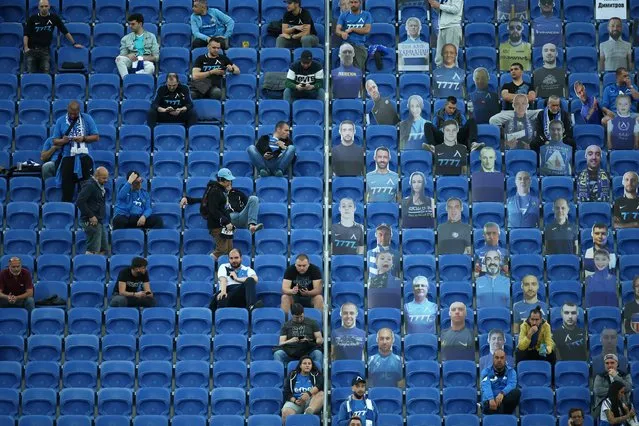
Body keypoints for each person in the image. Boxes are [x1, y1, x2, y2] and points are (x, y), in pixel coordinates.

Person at [180, 168, 263, 260]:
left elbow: (206, 201)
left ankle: (225, 272)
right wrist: (226, 222)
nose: (230, 182)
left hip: (226, 224)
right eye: (228, 180)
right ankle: (205, 262)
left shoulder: (219, 190)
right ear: (221, 180)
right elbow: (213, 209)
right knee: (222, 250)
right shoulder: (216, 191)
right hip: (219, 225)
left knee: (229, 251)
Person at [51, 100, 99, 202]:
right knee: (67, 192)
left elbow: (96, 137)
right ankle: (66, 213)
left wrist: (84, 138)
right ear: (67, 110)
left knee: (86, 192)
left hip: (84, 157)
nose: (73, 116)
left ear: (79, 111)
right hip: (68, 158)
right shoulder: (61, 121)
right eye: (71, 113)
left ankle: (85, 216)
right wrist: (63, 141)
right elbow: (55, 141)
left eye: (75, 114)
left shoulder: (87, 119)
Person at [25, 0, 83, 73]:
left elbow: (64, 31)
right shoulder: (32, 18)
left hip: (45, 50)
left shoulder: (54, 18)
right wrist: (26, 48)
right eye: (42, 6)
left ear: (49, 7)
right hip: (32, 50)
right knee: (31, 74)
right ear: (38, 7)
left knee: (46, 74)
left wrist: (74, 43)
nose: (44, 8)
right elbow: (26, 34)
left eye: (46, 6)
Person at [210, 248, 262, 313]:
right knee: (221, 297)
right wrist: (223, 291)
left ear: (241, 258)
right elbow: (223, 280)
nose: (233, 260)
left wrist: (237, 279)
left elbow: (255, 279)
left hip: (242, 295)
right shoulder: (224, 266)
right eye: (231, 258)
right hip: (228, 293)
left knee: (250, 280)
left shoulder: (247, 269)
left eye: (236, 258)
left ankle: (251, 307)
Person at [274, 303, 323, 367]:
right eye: (297, 318)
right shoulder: (286, 325)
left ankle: (317, 373)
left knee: (318, 353)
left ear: (303, 313)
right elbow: (281, 343)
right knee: (278, 354)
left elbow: (320, 340)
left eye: (301, 317)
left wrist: (308, 340)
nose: (299, 319)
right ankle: (282, 374)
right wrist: (291, 340)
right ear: (292, 315)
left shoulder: (312, 323)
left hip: (308, 351)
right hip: (291, 352)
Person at [76, 167, 109, 255]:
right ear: (96, 176)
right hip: (91, 221)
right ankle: (88, 265)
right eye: (104, 178)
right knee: (93, 249)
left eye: (107, 178)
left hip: (99, 221)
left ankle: (98, 266)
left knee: (103, 248)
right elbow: (80, 201)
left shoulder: (99, 186)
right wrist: (91, 215)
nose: (106, 180)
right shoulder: (90, 185)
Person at [281, 355, 324, 422]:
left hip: (311, 402)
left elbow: (320, 385)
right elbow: (286, 392)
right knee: (286, 412)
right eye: (304, 363)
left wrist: (308, 394)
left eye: (309, 364)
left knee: (321, 394)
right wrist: (294, 401)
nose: (307, 365)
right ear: (300, 366)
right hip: (296, 401)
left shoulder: (316, 374)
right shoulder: (292, 375)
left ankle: (308, 413)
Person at [115, 13, 159, 78]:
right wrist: (128, 55)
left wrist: (144, 58)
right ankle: (126, 80)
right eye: (129, 24)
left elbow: (156, 57)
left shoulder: (151, 37)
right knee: (119, 59)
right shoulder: (126, 38)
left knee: (151, 67)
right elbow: (122, 54)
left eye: (133, 24)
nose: (130, 26)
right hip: (131, 61)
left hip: (145, 61)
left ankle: (139, 81)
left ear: (140, 24)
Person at [480, 350, 521, 415]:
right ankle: (502, 415)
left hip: (505, 401)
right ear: (493, 359)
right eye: (497, 357)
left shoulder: (511, 371)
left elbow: (512, 384)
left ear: (505, 359)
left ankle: (499, 412)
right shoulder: (486, 371)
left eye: (502, 358)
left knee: (516, 392)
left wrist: (502, 393)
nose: (499, 360)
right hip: (490, 402)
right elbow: (485, 386)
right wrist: (491, 398)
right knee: (486, 403)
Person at [335, 0, 372, 71]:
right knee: (346, 51)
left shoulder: (366, 15)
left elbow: (366, 30)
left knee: (357, 70)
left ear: (360, 3)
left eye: (355, 2)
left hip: (359, 44)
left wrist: (352, 29)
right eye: (351, 2)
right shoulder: (344, 15)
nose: (353, 4)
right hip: (347, 43)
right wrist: (342, 33)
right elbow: (337, 30)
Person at [429, 0, 462, 67]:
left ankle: (453, 76)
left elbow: (456, 9)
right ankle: (441, 76)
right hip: (442, 27)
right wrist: (435, 6)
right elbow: (442, 11)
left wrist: (439, 5)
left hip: (452, 27)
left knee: (451, 58)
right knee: (439, 59)